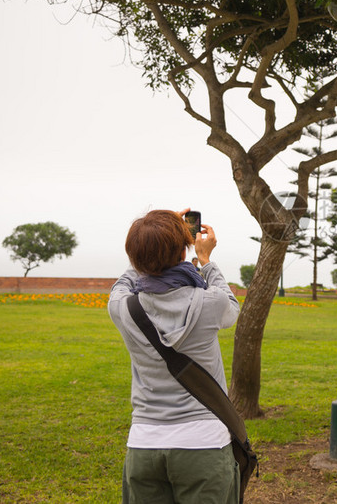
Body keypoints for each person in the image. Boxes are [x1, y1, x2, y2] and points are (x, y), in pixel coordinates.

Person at [108, 208, 241, 504]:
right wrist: (204, 260)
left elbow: (123, 283)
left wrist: (149, 246)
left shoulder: (123, 309)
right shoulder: (210, 303)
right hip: (204, 442)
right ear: (183, 250)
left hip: (144, 443)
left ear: (134, 257)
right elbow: (230, 302)